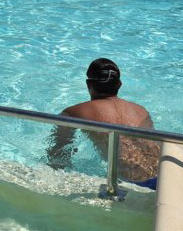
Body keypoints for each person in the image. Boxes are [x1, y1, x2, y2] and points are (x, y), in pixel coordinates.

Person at [47, 58, 160, 189]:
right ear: (119, 84)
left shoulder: (73, 112)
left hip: (133, 184)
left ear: (88, 85)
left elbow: (59, 153)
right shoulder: (141, 110)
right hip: (163, 176)